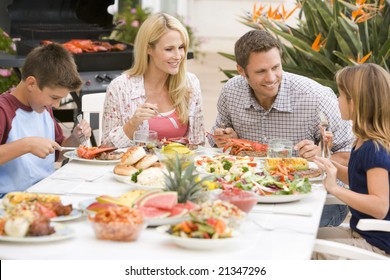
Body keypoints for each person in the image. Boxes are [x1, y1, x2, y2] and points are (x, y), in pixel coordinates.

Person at [207, 30, 354, 227]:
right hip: (255, 192)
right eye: (261, 71)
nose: (271, 78)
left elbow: (350, 156)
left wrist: (322, 155)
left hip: (318, 200)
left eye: (276, 67)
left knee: (270, 229)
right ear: (241, 71)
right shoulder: (231, 92)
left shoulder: (316, 97)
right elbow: (215, 140)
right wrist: (226, 138)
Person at [313, 63, 390, 258]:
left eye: (340, 95)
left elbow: (380, 206)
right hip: (362, 233)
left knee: (303, 253)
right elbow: (358, 179)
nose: (337, 100)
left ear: (354, 102)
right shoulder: (363, 140)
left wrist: (335, 188)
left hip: (377, 246)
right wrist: (327, 161)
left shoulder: (375, 149)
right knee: (300, 238)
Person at [0, 43, 92, 197]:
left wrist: (75, 139)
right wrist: (27, 145)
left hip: (47, 194)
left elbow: (58, 153)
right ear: (31, 83)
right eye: (54, 97)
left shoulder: (43, 107)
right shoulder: (4, 110)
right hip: (11, 203)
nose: (56, 105)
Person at [101, 12, 205, 148]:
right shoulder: (120, 87)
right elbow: (105, 147)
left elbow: (198, 143)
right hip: (134, 167)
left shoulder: (190, 83)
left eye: (181, 47)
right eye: (169, 49)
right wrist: (133, 123)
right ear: (149, 49)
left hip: (179, 167)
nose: (178, 55)